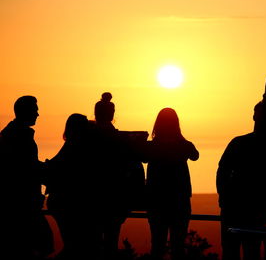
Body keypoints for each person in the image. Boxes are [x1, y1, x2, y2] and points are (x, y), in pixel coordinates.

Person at [216, 85, 266, 260]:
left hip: (242, 204)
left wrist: (223, 196)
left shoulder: (242, 142)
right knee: (247, 249)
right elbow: (223, 170)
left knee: (239, 249)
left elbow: (222, 170)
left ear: (254, 116)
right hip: (244, 204)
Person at [92, 92, 146, 260]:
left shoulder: (87, 137)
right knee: (110, 240)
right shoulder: (120, 139)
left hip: (93, 195)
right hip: (114, 196)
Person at [0, 96, 53, 259]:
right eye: (35, 110)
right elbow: (24, 166)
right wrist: (45, 169)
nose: (38, 114)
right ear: (26, 111)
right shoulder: (18, 136)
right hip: (21, 204)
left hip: (21, 203)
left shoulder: (12, 134)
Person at [45, 113, 103, 260]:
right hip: (74, 203)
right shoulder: (81, 146)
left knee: (72, 245)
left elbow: (56, 165)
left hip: (65, 201)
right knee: (77, 245)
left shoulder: (72, 145)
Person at [145, 108, 199, 260]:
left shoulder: (152, 147)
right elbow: (195, 155)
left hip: (156, 201)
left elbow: (141, 156)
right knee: (178, 247)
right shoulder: (184, 145)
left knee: (157, 246)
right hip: (179, 201)